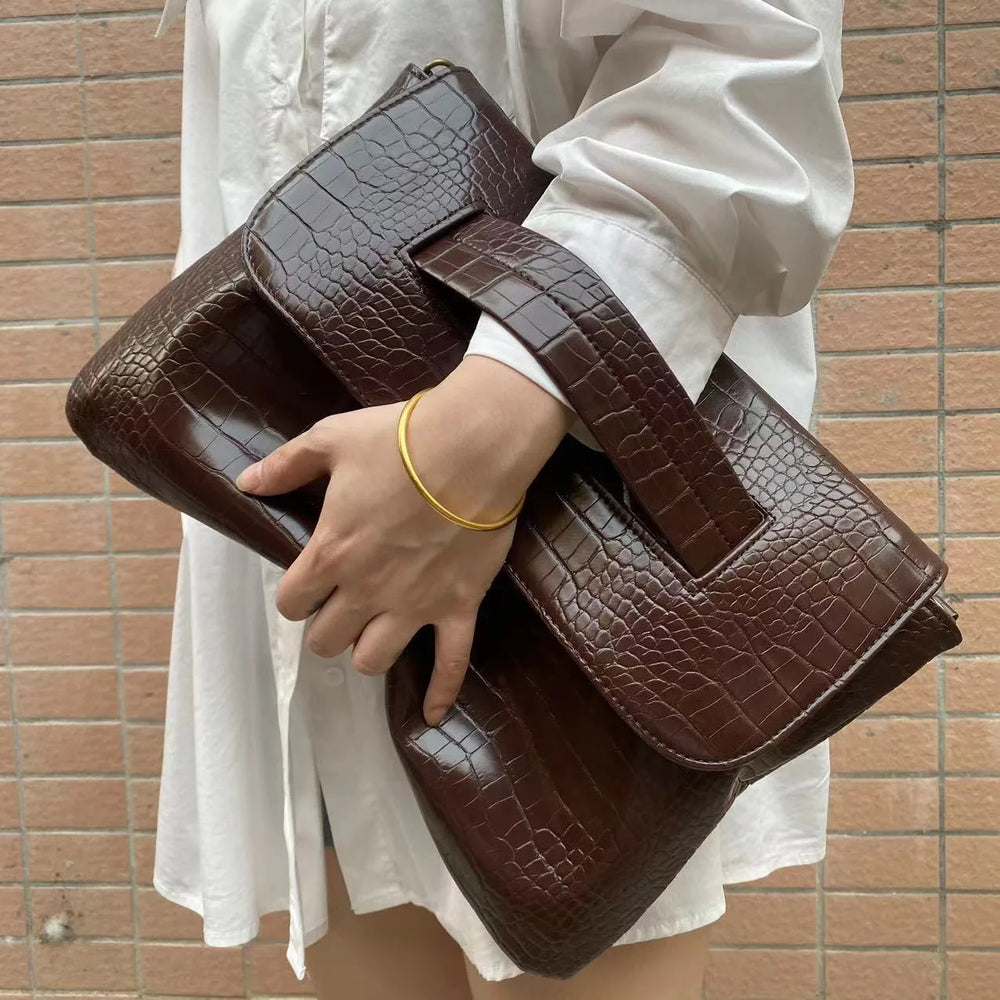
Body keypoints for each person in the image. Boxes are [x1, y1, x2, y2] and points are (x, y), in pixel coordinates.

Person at [151, 1, 854, 997]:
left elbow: (738, 70)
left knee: (579, 905)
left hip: (578, 499)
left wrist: (476, 437)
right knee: (365, 886)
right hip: (321, 533)